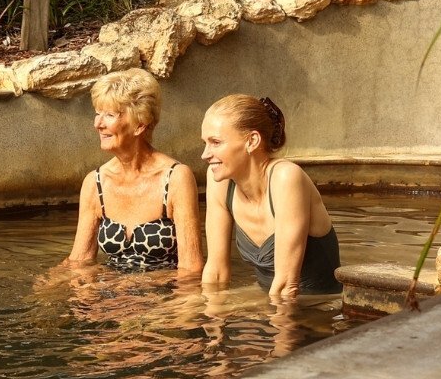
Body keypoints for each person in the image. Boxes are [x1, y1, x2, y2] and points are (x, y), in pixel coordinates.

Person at [200, 94, 342, 300]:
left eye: (215, 142)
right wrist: (211, 323)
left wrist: (273, 328)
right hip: (272, 301)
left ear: (252, 141)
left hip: (316, 311)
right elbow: (215, 272)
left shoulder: (286, 177)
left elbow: (287, 286)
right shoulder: (218, 181)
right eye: (205, 142)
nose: (205, 154)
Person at [66, 69, 201, 274]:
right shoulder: (95, 182)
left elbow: (191, 267)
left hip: (163, 297)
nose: (98, 124)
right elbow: (80, 260)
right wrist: (49, 286)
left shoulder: (176, 178)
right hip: (111, 296)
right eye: (97, 114)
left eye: (109, 115)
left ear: (139, 125)